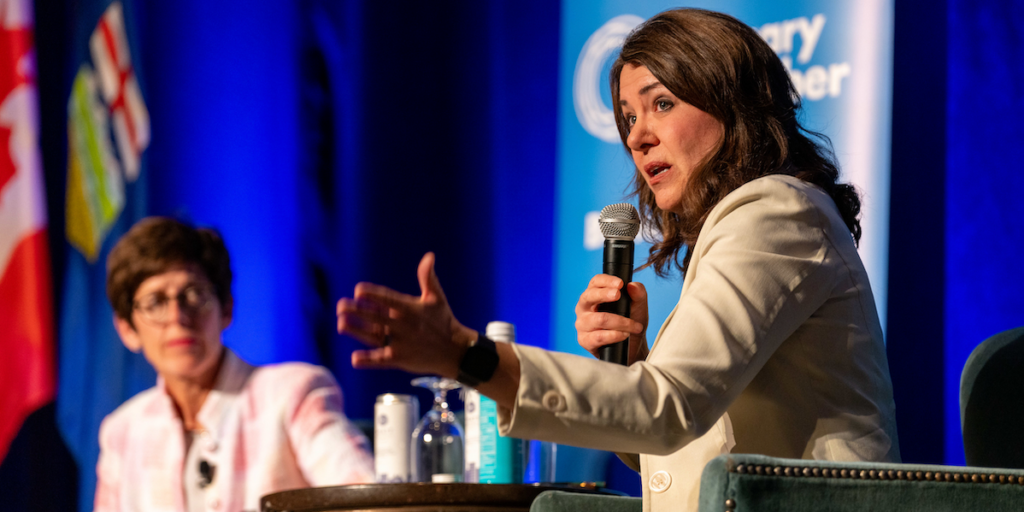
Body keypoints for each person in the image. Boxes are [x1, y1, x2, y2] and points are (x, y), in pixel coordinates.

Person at [336, 8, 899, 512]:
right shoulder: (748, 226)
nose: (638, 136)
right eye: (629, 117)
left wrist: (470, 357)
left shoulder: (776, 212)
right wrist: (632, 365)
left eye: (661, 103)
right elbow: (669, 441)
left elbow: (669, 409)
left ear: (735, 104)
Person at [95, 217, 374, 512]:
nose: (177, 317)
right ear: (127, 329)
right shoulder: (122, 432)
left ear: (226, 307)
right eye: (155, 302)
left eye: (193, 294)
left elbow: (365, 497)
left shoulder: (292, 394)